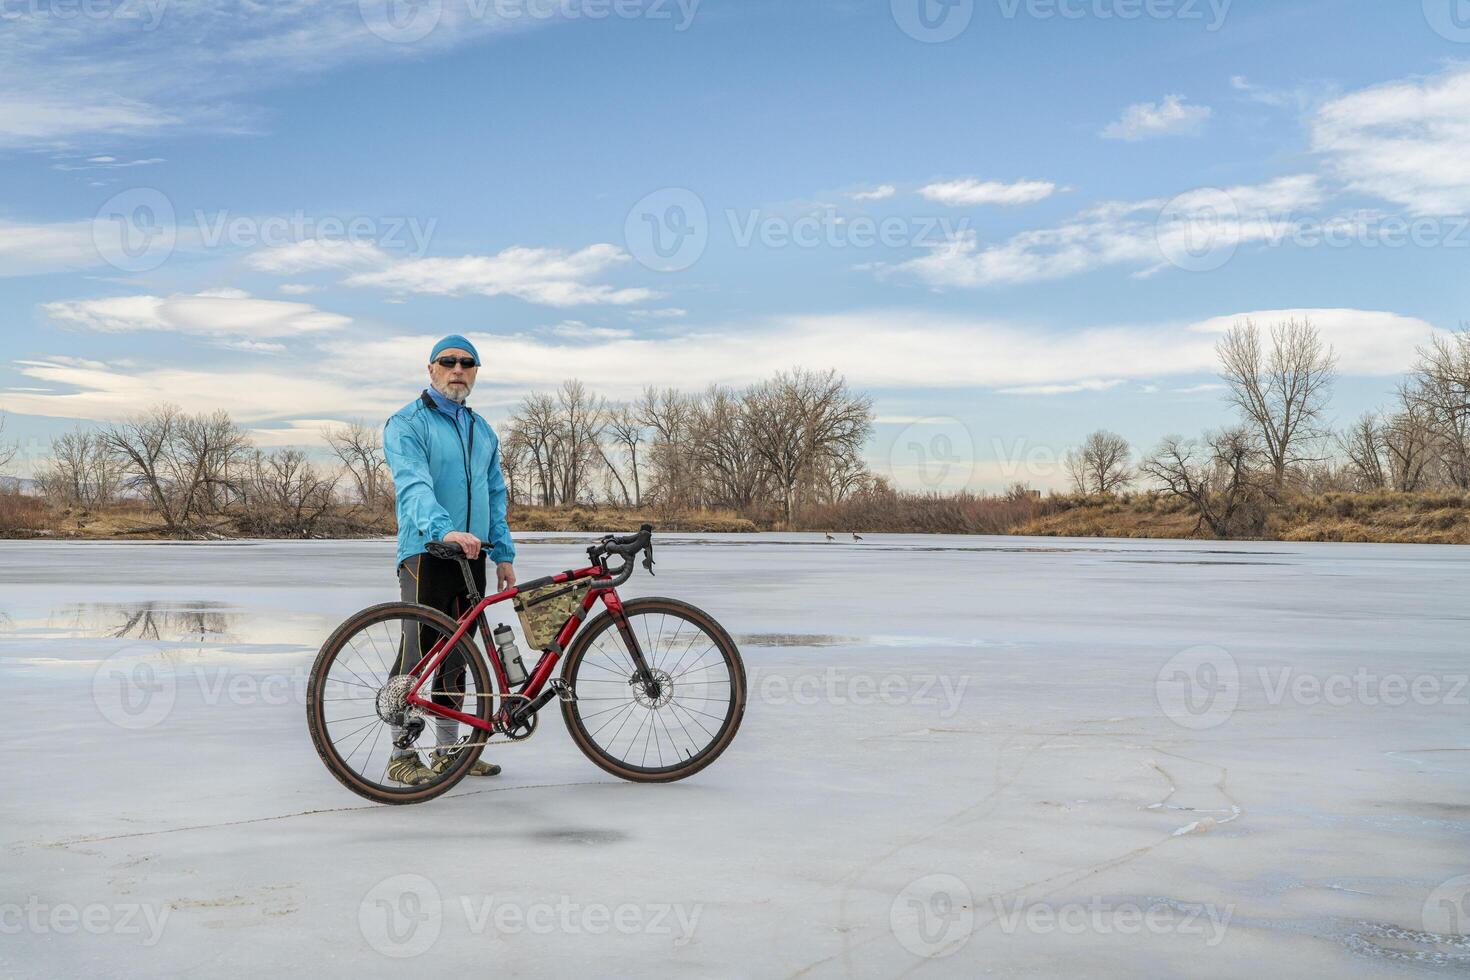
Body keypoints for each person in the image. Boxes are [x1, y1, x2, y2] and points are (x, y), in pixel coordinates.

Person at [381, 334, 517, 785]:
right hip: (427, 551)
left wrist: (503, 553)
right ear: (431, 369)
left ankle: (449, 751)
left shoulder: (482, 431)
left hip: (472, 554)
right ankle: (401, 754)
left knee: (459, 655)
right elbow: (413, 484)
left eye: (467, 363)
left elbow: (495, 493)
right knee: (419, 651)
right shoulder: (407, 423)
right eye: (448, 362)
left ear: (475, 372)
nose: (457, 369)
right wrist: (443, 529)